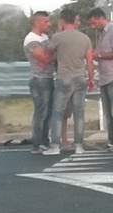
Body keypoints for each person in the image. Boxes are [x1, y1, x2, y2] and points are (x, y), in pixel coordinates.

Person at [43, 9, 95, 155]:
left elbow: (48, 53)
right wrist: (90, 78)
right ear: (74, 20)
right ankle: (78, 145)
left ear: (62, 21)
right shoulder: (85, 38)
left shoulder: (57, 37)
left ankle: (55, 146)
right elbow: (89, 60)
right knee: (79, 113)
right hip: (80, 77)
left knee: (57, 112)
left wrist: (58, 33)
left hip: (64, 77)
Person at [23, 11, 55, 154]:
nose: (49, 24)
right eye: (46, 22)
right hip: (38, 79)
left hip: (48, 77)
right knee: (40, 112)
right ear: (37, 22)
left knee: (48, 112)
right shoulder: (31, 39)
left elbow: (48, 55)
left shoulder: (45, 37)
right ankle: (37, 143)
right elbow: (44, 58)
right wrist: (53, 50)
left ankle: (44, 141)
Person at [88, 8, 113, 152]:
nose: (93, 26)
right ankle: (111, 140)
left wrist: (100, 54)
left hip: (112, 77)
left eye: (94, 23)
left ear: (101, 18)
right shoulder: (101, 34)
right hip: (104, 77)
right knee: (107, 113)